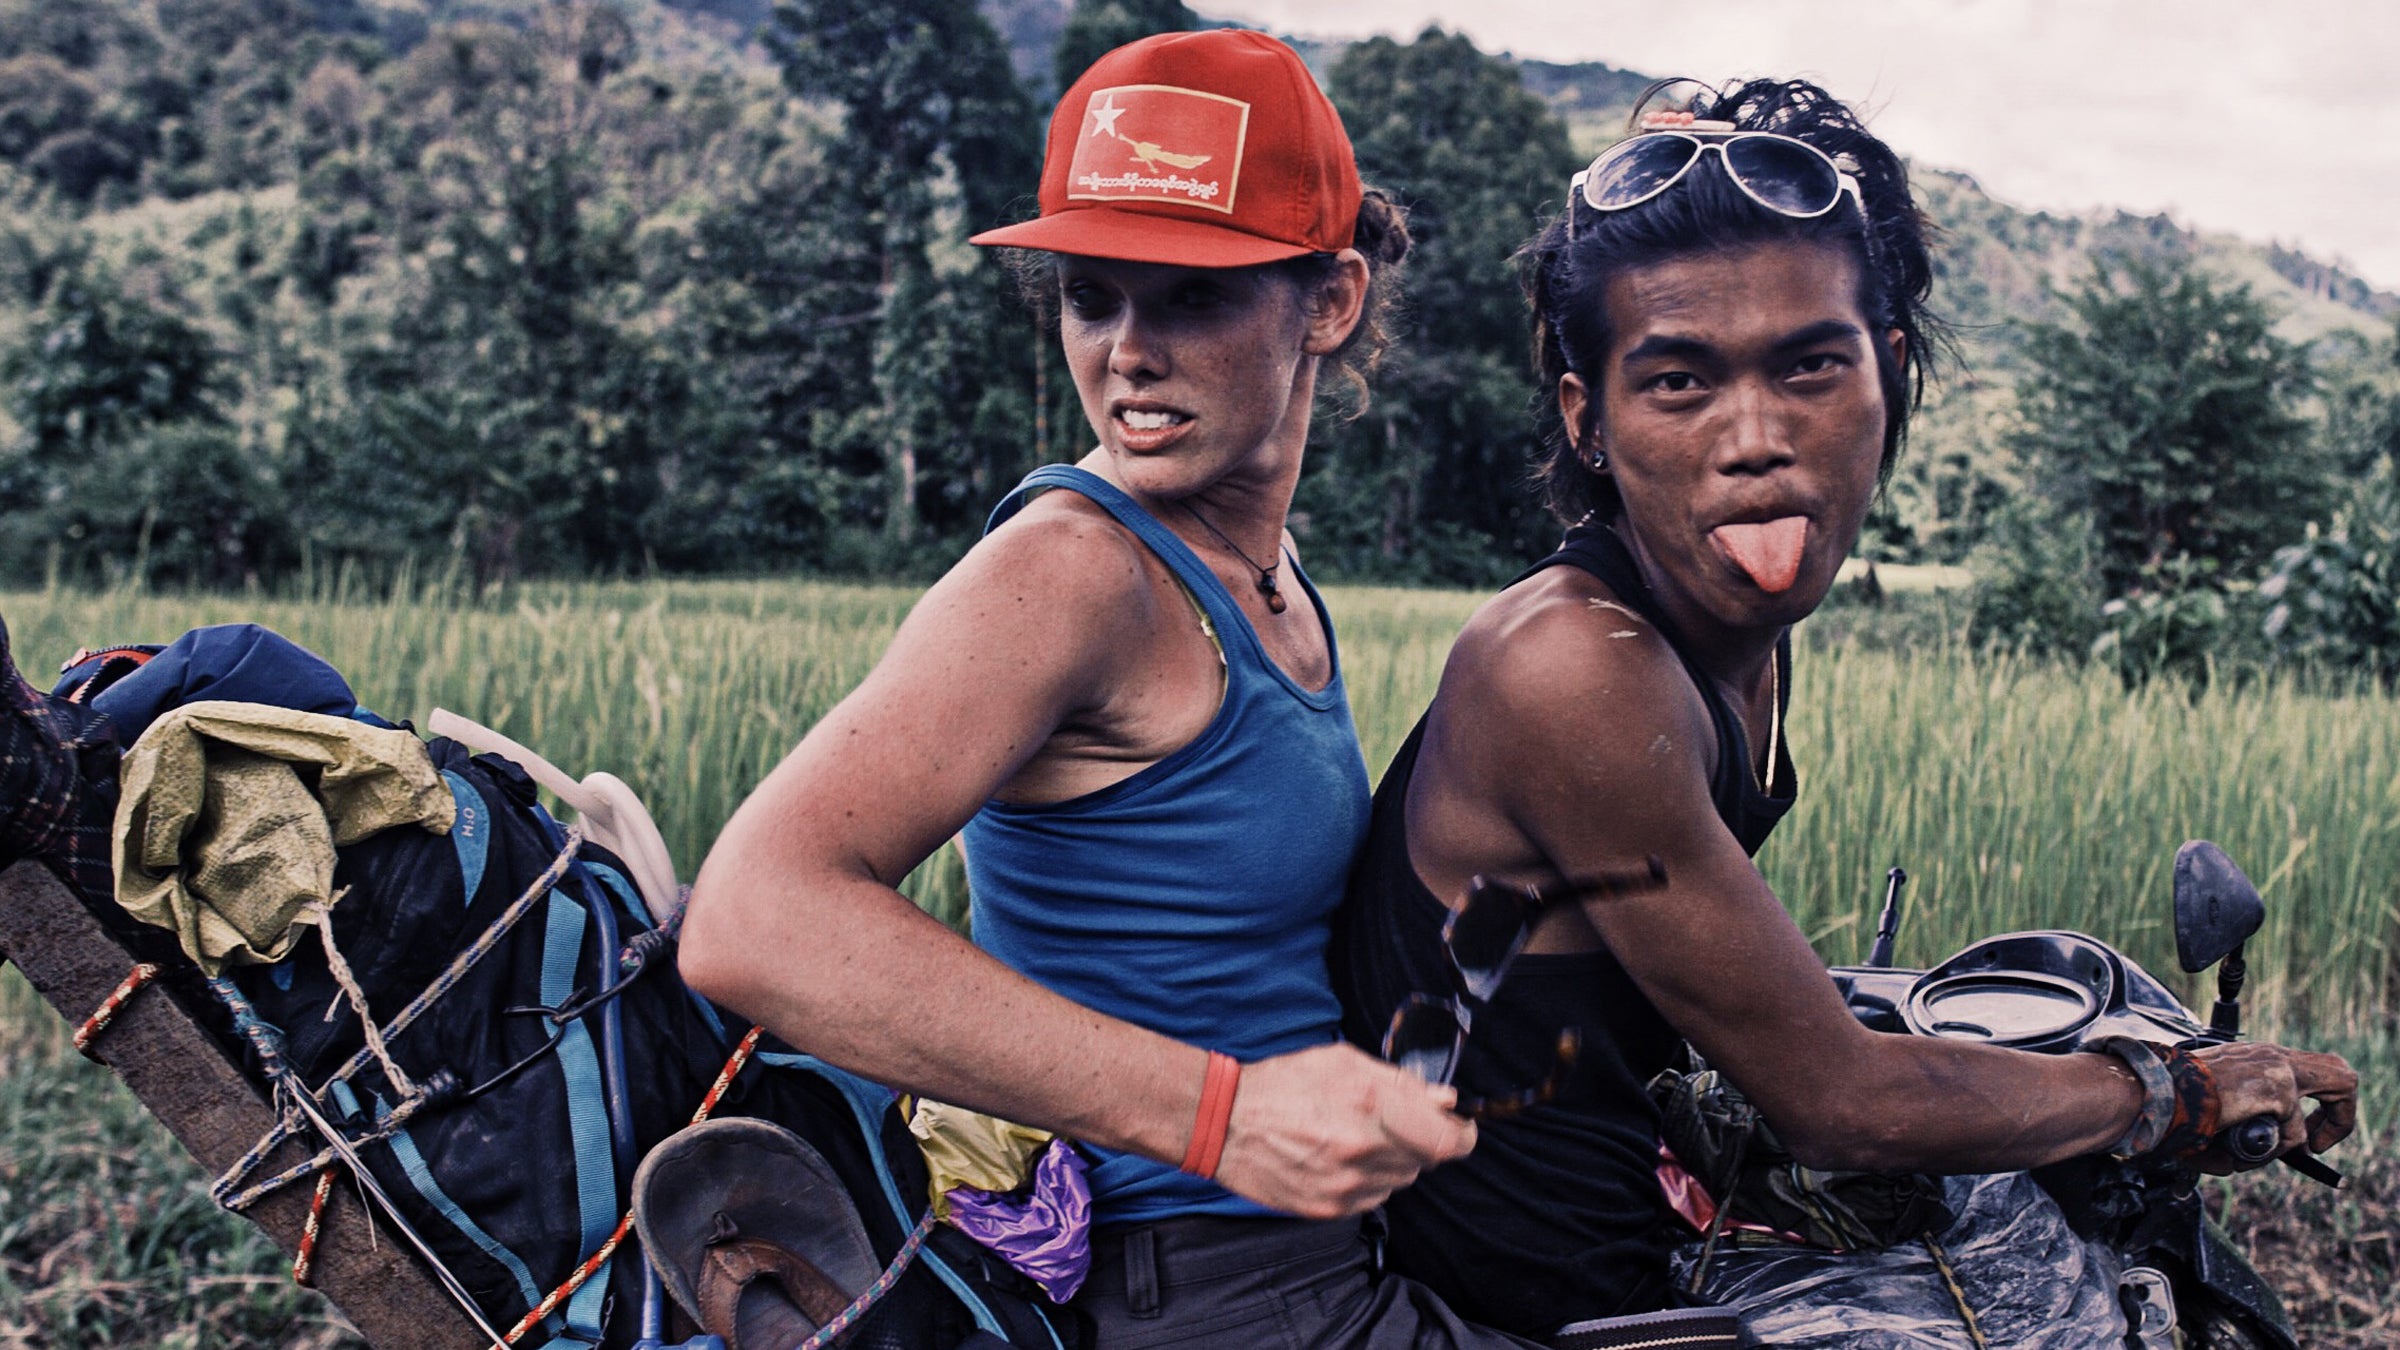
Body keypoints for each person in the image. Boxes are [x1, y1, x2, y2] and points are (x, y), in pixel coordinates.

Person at [1336, 79, 2361, 1346]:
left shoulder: (1726, 613)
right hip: (1553, 1294)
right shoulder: (1573, 668)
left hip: (1652, 1202)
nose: (1755, 436)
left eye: (1811, 364)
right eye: (1678, 382)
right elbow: (1840, 1101)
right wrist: (2169, 1094)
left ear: (1889, 376)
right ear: (1586, 419)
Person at [680, 29, 1633, 1349]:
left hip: (1336, 1252)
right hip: (1203, 1291)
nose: (1128, 350)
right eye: (1092, 294)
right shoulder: (1073, 571)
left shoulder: (1258, 569)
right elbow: (753, 914)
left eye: (1190, 295)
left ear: (1331, 298)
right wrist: (1221, 1118)